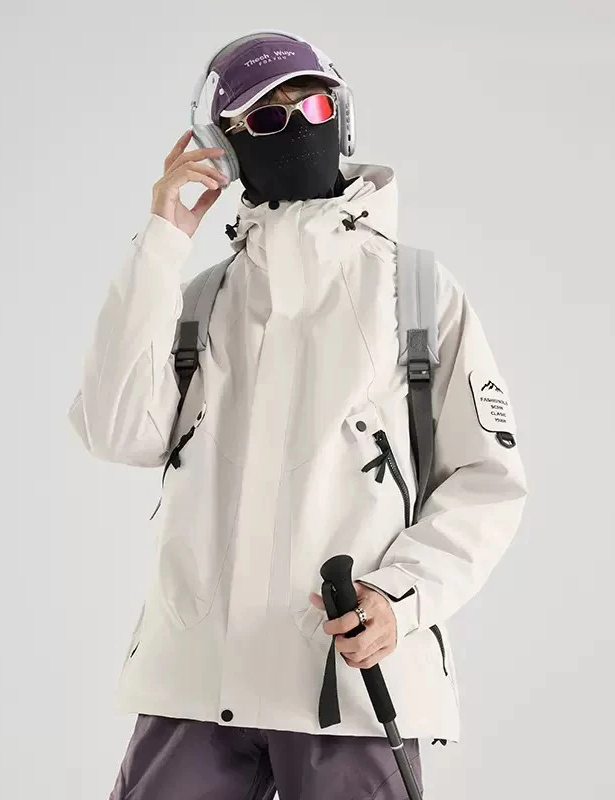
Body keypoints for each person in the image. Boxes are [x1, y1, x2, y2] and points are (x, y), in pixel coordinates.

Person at [68, 30, 528, 800]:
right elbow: (115, 431)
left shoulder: (416, 294)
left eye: (312, 106)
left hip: (349, 683)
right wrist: (163, 242)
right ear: (225, 146)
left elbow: (488, 481)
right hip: (197, 684)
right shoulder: (200, 300)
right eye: (264, 119)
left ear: (341, 117)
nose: (295, 127)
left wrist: (401, 597)